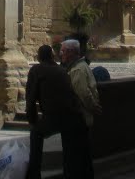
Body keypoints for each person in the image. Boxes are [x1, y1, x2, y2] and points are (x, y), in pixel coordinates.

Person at [25, 44, 91, 179]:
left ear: (38, 57)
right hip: (74, 116)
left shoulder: (36, 70)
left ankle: (33, 174)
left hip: (56, 116)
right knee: (69, 144)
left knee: (36, 134)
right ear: (52, 56)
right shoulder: (61, 70)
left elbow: (30, 100)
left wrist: (32, 121)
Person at [59, 38, 101, 178]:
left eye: (63, 51)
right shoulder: (82, 66)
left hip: (78, 119)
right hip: (80, 118)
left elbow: (83, 93)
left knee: (75, 156)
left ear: (71, 53)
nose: (60, 54)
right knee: (82, 155)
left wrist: (93, 107)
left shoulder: (77, 70)